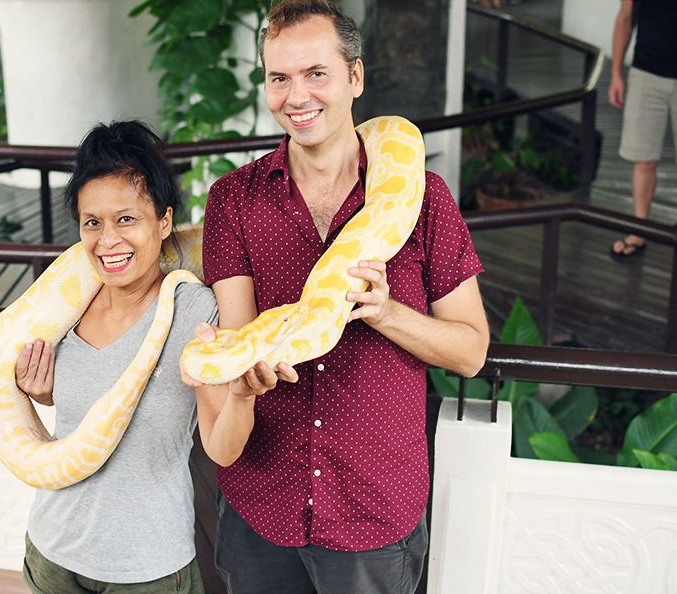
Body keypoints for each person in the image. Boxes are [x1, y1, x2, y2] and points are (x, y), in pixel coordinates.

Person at [189, 2, 490, 593]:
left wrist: (387, 312)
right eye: (279, 78)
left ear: (355, 77)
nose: (296, 96)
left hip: (374, 511)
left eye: (315, 73)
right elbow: (240, 334)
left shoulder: (425, 198)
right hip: (262, 506)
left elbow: (471, 352)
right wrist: (241, 376)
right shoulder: (234, 201)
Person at [14, 120, 217, 594]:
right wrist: (44, 394)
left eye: (127, 218)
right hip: (53, 550)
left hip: (145, 566)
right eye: (93, 222)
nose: (108, 240)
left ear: (165, 221)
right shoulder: (64, 308)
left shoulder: (194, 308)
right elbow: (73, 414)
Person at [608, 0, 677, 258]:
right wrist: (615, 73)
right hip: (646, 73)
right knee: (643, 159)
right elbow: (625, 17)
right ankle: (639, 230)